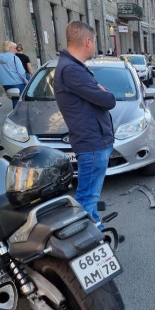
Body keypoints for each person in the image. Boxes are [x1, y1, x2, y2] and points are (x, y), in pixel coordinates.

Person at [53, 21, 116, 229]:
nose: (95, 45)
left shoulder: (73, 66)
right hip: (91, 143)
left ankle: (96, 230)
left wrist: (100, 91)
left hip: (93, 140)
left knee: (90, 195)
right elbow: (108, 100)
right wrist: (103, 91)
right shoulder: (71, 70)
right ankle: (88, 239)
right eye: (94, 41)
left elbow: (98, 95)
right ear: (88, 41)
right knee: (87, 198)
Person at [0, 41, 27, 108]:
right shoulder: (15, 58)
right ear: (9, 48)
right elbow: (21, 72)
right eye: (15, 48)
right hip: (17, 83)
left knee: (15, 99)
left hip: (6, 84)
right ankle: (18, 113)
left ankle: (15, 112)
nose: (16, 50)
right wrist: (26, 82)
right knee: (23, 101)